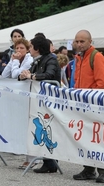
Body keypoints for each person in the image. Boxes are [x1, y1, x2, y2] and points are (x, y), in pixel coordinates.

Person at [72, 30, 104, 183]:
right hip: (83, 104)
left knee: (97, 137)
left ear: (90, 41)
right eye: (77, 41)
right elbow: (76, 81)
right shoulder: (78, 58)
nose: (79, 44)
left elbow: (103, 84)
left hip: (94, 104)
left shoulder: (97, 57)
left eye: (82, 41)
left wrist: (88, 98)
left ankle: (103, 171)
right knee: (86, 137)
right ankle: (89, 169)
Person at [19, 36, 61, 174]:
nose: (29, 49)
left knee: (49, 128)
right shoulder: (37, 60)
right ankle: (47, 161)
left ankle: (52, 161)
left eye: (31, 46)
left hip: (51, 100)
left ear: (37, 48)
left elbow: (49, 75)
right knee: (43, 127)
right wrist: (24, 75)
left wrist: (32, 76)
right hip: (40, 100)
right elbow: (29, 74)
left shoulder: (51, 59)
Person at [1, 38, 36, 169]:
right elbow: (4, 75)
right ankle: (28, 157)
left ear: (27, 50)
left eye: (22, 48)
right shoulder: (15, 60)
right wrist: (12, 61)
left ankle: (32, 158)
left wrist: (15, 61)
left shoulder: (29, 60)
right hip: (19, 98)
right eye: (17, 48)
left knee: (29, 125)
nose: (19, 51)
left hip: (28, 97)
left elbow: (16, 74)